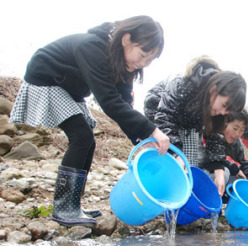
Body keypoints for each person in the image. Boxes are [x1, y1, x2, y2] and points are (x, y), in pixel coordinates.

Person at [9, 16, 169, 228]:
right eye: (142, 55)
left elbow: (123, 105)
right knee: (82, 137)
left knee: (87, 141)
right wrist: (152, 130)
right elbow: (109, 102)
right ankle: (64, 209)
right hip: (47, 79)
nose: (142, 63)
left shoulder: (124, 64)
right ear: (126, 39)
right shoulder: (93, 48)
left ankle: (73, 205)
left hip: (68, 88)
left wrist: (140, 139)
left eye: (149, 60)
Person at [144, 56, 247, 196]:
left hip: (190, 121)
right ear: (214, 89)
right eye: (224, 105)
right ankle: (153, 186)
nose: (222, 112)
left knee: (192, 163)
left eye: (228, 111)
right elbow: (164, 117)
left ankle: (182, 193)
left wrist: (219, 170)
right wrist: (176, 153)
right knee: (172, 157)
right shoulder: (184, 85)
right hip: (158, 111)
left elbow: (215, 135)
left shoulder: (217, 110)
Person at [199, 109, 248, 196]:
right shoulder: (210, 136)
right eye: (235, 128)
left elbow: (245, 164)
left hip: (225, 181)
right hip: (205, 175)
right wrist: (234, 166)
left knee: (244, 182)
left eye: (242, 130)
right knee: (227, 174)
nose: (237, 133)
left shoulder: (237, 143)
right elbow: (211, 155)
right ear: (224, 123)